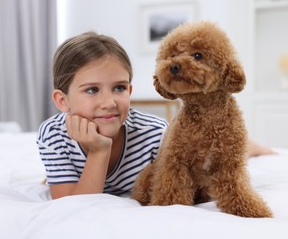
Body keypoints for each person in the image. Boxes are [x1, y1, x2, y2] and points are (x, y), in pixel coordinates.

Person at [37, 32, 275, 200]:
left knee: (214, 144)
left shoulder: (152, 133)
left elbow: (204, 153)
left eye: (119, 88)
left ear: (129, 91)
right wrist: (99, 151)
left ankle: (258, 147)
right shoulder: (54, 135)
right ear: (62, 101)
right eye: (92, 90)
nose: (109, 103)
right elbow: (72, 207)